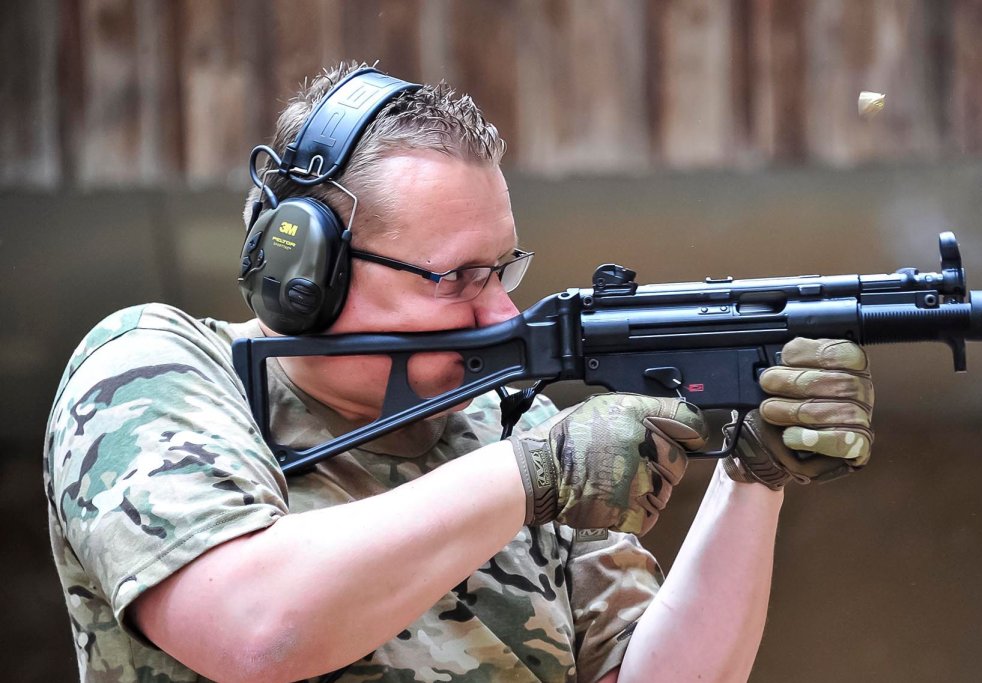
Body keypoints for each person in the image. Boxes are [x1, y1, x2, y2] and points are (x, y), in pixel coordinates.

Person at [44, 63, 875, 682]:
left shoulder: (514, 429)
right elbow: (255, 627)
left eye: (503, 269)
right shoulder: (157, 366)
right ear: (308, 274)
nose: (502, 314)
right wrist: (531, 474)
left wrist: (751, 473)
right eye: (458, 276)